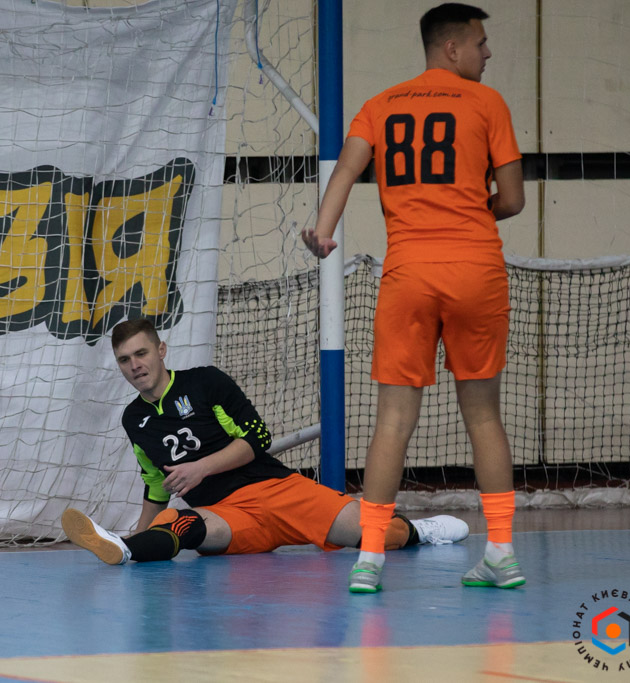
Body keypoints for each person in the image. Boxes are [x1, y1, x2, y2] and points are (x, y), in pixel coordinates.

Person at [301, 3, 526, 593]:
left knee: (393, 420)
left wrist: (323, 230)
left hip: (409, 274)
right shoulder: (488, 103)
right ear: (451, 48)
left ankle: (370, 559)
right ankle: (501, 553)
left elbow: (345, 171)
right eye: (480, 42)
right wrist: (474, 208)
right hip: (476, 268)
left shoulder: (380, 105)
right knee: (484, 415)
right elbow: (512, 199)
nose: (487, 52)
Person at [61, 317, 468, 566]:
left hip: (277, 490)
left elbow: (258, 437)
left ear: (161, 349)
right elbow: (156, 486)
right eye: (125, 359)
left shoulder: (205, 382)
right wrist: (139, 532)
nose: (135, 365)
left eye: (141, 353)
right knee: (178, 524)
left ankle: (420, 530)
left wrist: (201, 468)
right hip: (226, 517)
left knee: (371, 535)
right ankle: (127, 548)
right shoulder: (134, 419)